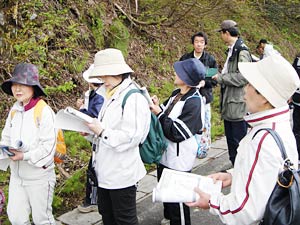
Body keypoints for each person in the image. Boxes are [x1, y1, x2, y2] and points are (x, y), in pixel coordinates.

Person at [186, 54, 300, 225]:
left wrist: (212, 201)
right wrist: (234, 175)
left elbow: (244, 210)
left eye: (249, 84)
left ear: (263, 97)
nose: (244, 90)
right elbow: (267, 175)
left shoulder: (264, 138)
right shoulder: (278, 126)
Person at [86, 48, 151, 225]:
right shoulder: (110, 93)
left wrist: (102, 132)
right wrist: (91, 134)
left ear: (118, 72)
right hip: (105, 171)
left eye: (105, 75)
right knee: (107, 215)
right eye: (101, 76)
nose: (102, 80)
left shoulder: (133, 97)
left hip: (122, 173)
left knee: (124, 219)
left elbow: (132, 137)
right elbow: (106, 128)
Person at [151, 58, 206, 225]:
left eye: (179, 72)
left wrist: (159, 113)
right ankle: (170, 218)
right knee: (166, 192)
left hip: (179, 159)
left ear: (187, 78)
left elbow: (177, 132)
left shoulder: (194, 101)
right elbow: (164, 109)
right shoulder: (177, 94)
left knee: (179, 201)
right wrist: (155, 105)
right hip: (166, 154)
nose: (175, 73)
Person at [0, 63, 57, 224]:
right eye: (14, 85)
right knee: (17, 218)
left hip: (39, 178)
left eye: (22, 85)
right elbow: (5, 137)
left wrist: (24, 156)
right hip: (17, 177)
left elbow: (48, 149)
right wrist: (5, 151)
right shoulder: (14, 110)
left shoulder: (44, 112)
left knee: (42, 220)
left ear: (33, 87)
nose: (17, 89)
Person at [213, 19, 252, 166]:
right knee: (231, 141)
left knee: (238, 142)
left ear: (227, 33)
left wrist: (221, 78)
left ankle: (240, 172)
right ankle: (234, 169)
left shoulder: (241, 51)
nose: (221, 36)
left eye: (221, 33)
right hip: (230, 103)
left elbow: (243, 76)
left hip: (237, 104)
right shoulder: (232, 49)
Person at [180, 31, 218, 158]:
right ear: (193, 43)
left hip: (204, 96)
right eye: (197, 42)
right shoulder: (186, 58)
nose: (199, 44)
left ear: (205, 44)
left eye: (202, 42)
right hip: (188, 96)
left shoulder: (210, 60)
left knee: (205, 123)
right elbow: (180, 75)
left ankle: (203, 148)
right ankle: (188, 147)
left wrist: (204, 82)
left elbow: (214, 80)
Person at [76, 64, 105, 213]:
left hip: (99, 138)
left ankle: (93, 200)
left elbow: (93, 115)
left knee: (93, 169)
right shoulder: (98, 93)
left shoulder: (100, 95)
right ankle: (94, 199)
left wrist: (81, 110)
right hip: (97, 137)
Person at [292, 53, 300, 161]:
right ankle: (296, 155)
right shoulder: (297, 60)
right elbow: (291, 78)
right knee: (296, 129)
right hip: (296, 101)